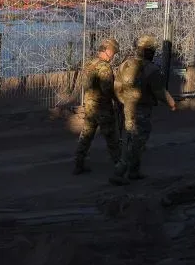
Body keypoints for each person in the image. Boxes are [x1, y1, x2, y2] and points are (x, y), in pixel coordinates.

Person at [111, 34, 177, 185]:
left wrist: (123, 101)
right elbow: (160, 91)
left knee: (132, 139)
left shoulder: (125, 64)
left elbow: (116, 87)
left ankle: (134, 172)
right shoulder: (152, 69)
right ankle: (119, 172)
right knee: (137, 141)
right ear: (150, 51)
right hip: (141, 110)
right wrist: (171, 103)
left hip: (126, 108)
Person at [73, 38, 122, 175]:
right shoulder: (104, 67)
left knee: (86, 136)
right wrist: (117, 101)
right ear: (106, 51)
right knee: (112, 140)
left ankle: (78, 164)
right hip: (103, 108)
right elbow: (108, 90)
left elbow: (85, 85)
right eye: (113, 52)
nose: (113, 56)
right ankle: (120, 169)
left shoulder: (89, 63)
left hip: (89, 107)